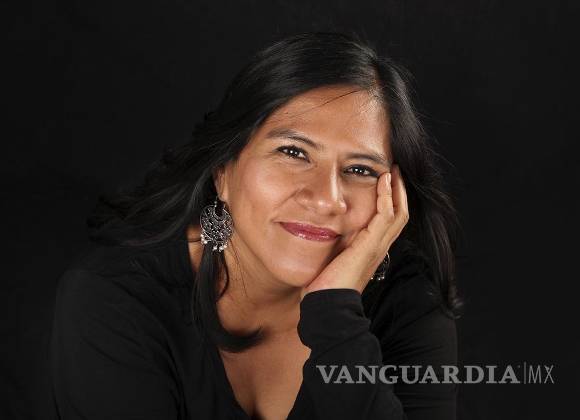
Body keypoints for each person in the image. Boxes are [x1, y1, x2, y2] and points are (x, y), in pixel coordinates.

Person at [49, 32, 462, 420]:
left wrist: (335, 312)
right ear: (223, 170)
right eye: (293, 152)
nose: (326, 199)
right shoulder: (118, 300)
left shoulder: (408, 303)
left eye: (360, 169)